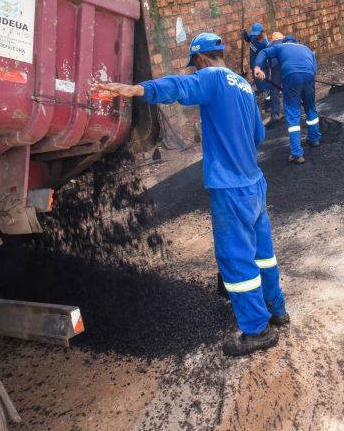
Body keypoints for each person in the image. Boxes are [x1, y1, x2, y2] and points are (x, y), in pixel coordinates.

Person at [92, 33, 289, 357]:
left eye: (194, 64)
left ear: (200, 59)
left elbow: (180, 88)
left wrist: (139, 90)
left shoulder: (210, 78)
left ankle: (258, 330)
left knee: (236, 259)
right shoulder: (242, 85)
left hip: (229, 188)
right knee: (263, 253)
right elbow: (259, 133)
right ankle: (277, 309)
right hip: (254, 182)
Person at [253, 36, 321, 164]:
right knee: (311, 108)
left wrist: (257, 67)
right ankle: (314, 138)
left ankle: (296, 153)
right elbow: (314, 68)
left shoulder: (280, 47)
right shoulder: (306, 48)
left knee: (293, 113)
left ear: (285, 42)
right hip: (309, 77)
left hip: (291, 76)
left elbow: (263, 52)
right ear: (296, 42)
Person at [242, 22, 272, 112]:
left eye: (257, 34)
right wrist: (244, 33)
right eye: (254, 34)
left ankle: (268, 104)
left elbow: (268, 55)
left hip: (262, 67)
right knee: (258, 85)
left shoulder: (265, 43)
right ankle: (262, 100)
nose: (256, 36)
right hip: (253, 65)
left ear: (262, 32)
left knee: (265, 85)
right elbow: (248, 39)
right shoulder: (253, 37)